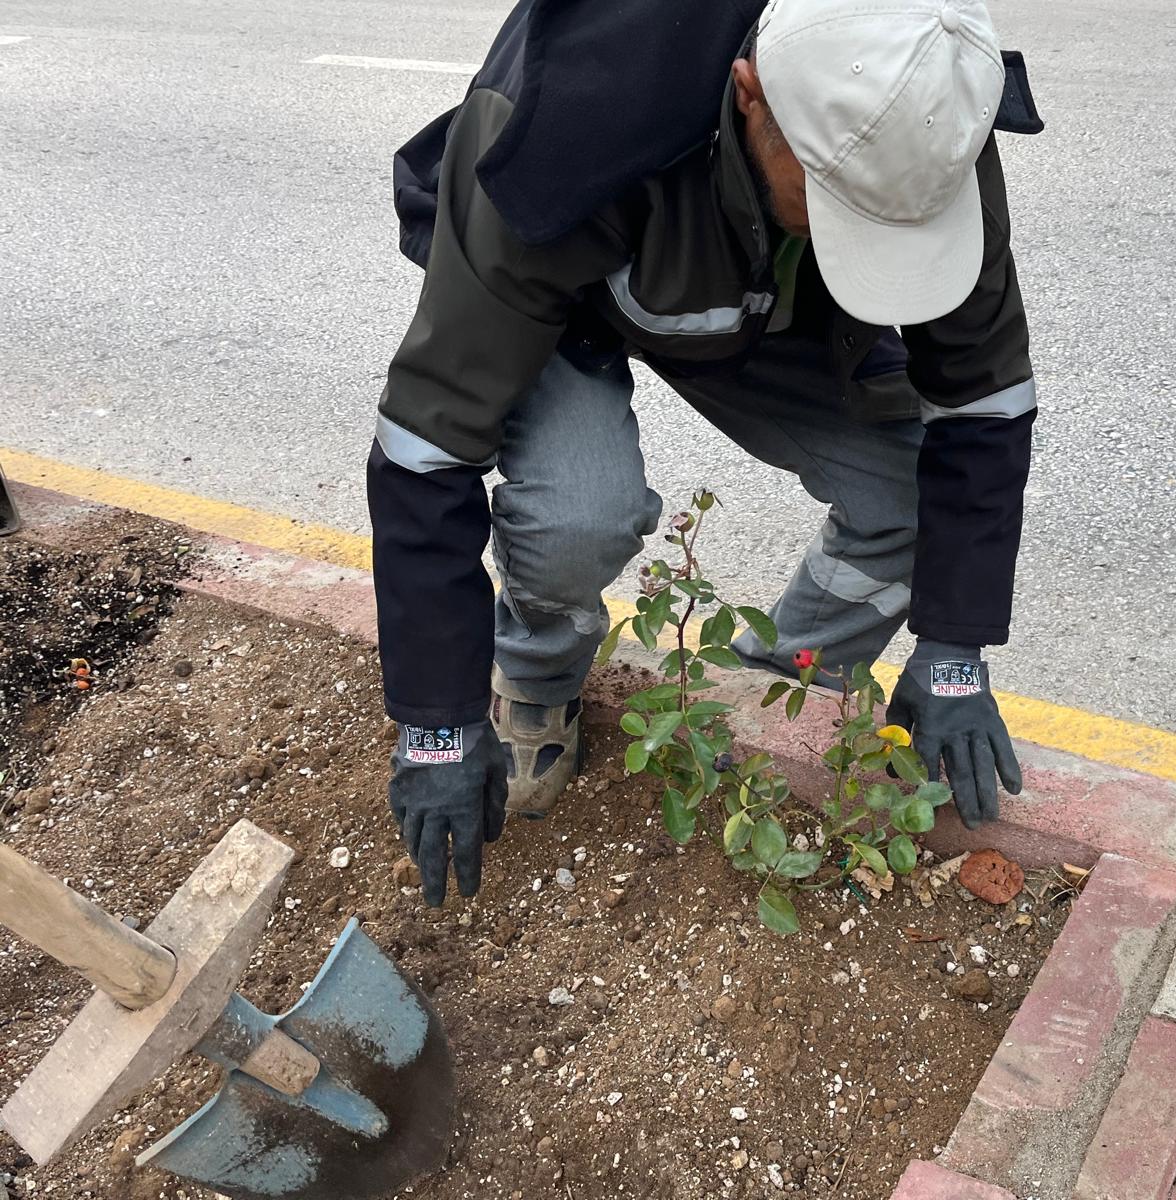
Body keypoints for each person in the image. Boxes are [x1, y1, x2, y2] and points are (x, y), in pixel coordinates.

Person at [369, 0, 1045, 906]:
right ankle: (533, 677)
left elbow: (985, 399)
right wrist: (435, 723)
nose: (871, 230)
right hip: (569, 279)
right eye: (839, 204)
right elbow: (425, 446)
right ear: (753, 93)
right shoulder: (555, 129)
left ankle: (777, 691)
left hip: (766, 294)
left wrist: (955, 649)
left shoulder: (921, 111)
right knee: (581, 512)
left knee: (910, 492)